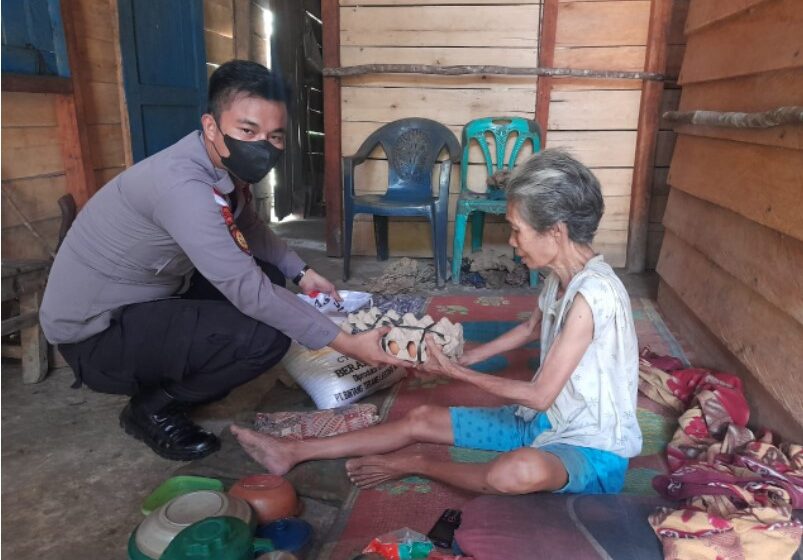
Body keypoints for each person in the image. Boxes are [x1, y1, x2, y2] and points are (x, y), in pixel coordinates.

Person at [40, 60, 404, 462]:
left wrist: (302, 273)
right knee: (265, 337)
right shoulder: (182, 186)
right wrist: (348, 344)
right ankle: (152, 408)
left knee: (267, 274)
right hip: (96, 336)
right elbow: (248, 292)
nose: (263, 146)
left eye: (275, 136)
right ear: (211, 126)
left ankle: (179, 372)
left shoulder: (219, 166)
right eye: (248, 131)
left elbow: (250, 227)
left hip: (149, 302)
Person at [231, 149, 642, 496]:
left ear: (556, 231)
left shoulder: (594, 295)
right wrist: (467, 354)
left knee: (513, 472)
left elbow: (537, 394)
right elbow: (530, 329)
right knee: (421, 417)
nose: (513, 241)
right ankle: (294, 451)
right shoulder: (561, 276)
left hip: (588, 447)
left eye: (516, 230)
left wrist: (456, 371)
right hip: (546, 422)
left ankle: (418, 463)